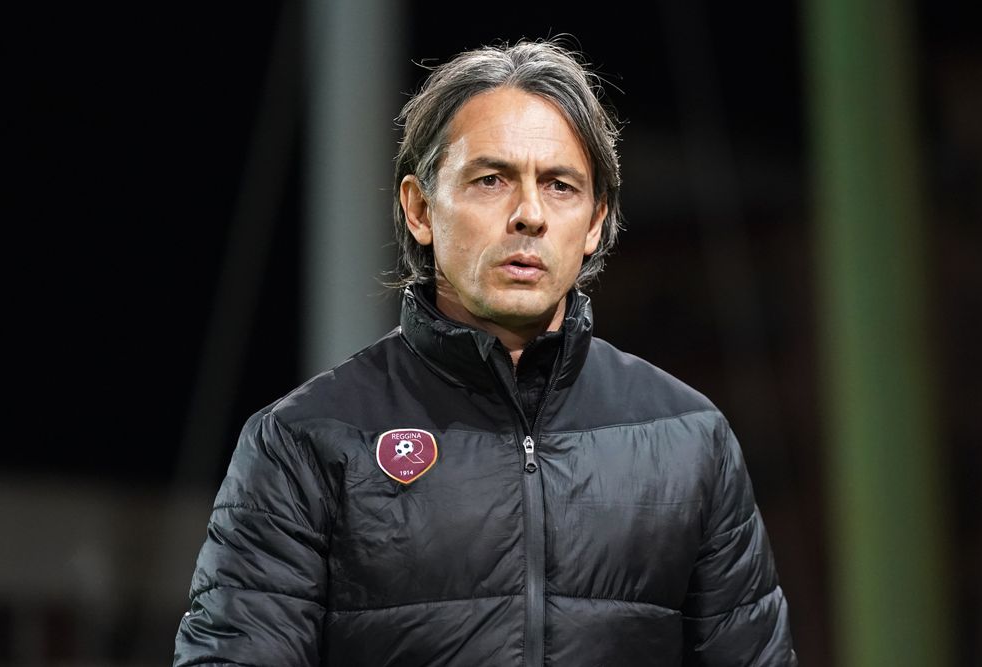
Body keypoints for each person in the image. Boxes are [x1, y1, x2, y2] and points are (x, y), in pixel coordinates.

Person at [174, 39, 797, 666]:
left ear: (596, 222)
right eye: (491, 180)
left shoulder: (690, 439)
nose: (528, 215)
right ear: (420, 208)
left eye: (559, 186)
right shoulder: (303, 441)